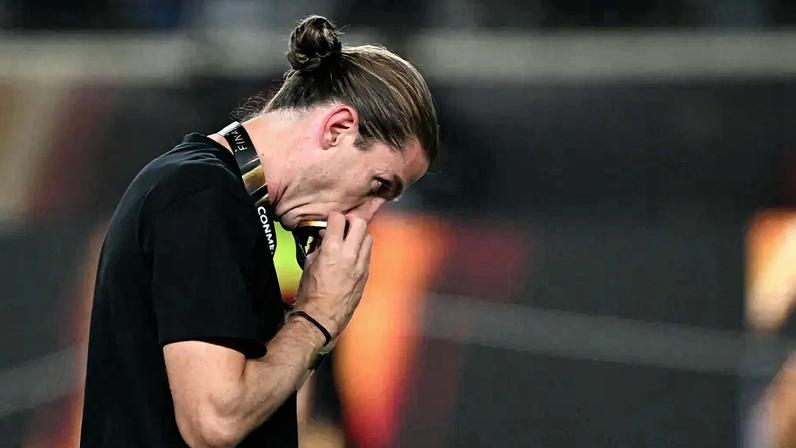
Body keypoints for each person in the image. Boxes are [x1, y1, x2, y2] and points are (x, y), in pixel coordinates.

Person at [79, 15, 438, 448]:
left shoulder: (221, 197)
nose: (366, 217)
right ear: (338, 128)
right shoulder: (202, 195)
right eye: (378, 186)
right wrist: (318, 318)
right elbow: (215, 422)